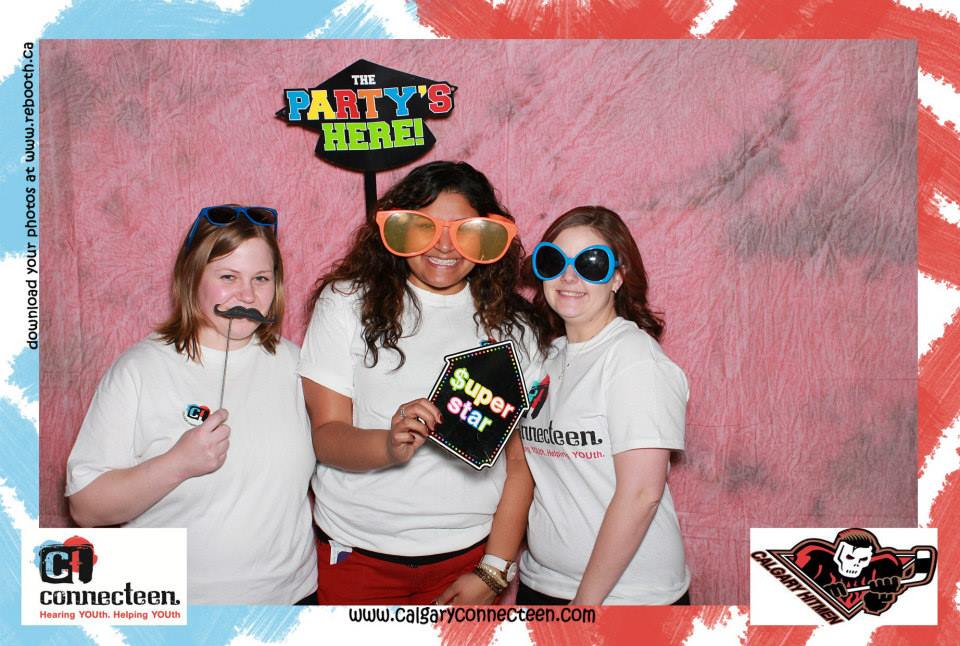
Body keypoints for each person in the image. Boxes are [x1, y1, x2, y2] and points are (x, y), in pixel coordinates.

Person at [299, 160, 535, 605]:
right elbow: (326, 436)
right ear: (398, 230)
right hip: (359, 556)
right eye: (424, 227)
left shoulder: (515, 326)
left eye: (465, 230)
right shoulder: (348, 302)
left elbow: (522, 466)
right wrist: (389, 446)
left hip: (468, 559)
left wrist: (493, 571)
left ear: (487, 238)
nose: (445, 246)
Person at [66, 205, 318, 605]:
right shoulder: (141, 368)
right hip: (175, 607)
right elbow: (86, 508)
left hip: (290, 601)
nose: (247, 295)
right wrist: (178, 463)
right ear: (191, 278)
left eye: (261, 278)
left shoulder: (297, 364)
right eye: (228, 277)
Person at [517, 205, 690, 606]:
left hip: (625, 597)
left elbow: (642, 493)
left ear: (617, 277)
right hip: (543, 583)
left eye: (592, 264)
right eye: (553, 260)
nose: (569, 277)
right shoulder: (547, 358)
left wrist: (584, 606)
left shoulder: (634, 360)